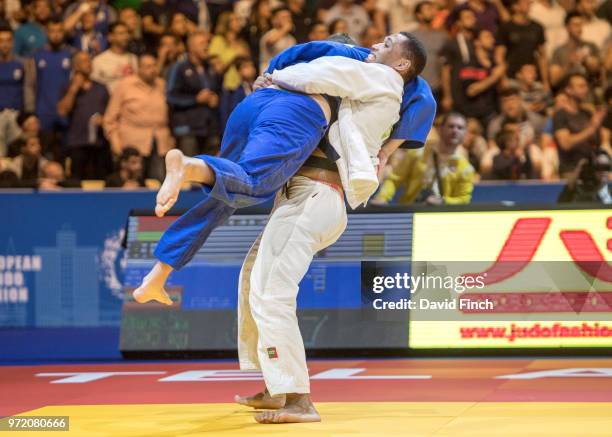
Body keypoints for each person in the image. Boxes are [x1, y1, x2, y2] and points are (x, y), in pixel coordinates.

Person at [135, 33, 423, 424]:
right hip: (302, 198)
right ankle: (276, 385)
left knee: (272, 293)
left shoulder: (385, 78)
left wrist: (277, 76)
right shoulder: (373, 86)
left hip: (317, 196)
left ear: (401, 64)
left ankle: (299, 398)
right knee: (253, 279)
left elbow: (327, 70)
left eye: (388, 42)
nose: (376, 42)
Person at [133, 32, 419, 307]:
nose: (375, 45)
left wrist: (270, 74)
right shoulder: (358, 61)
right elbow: (423, 96)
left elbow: (292, 55)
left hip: (252, 104)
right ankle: (190, 165)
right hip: (296, 113)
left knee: (226, 194)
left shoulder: (307, 53)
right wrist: (385, 151)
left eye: (384, 43)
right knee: (255, 182)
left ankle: (159, 274)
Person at [374, 112, 474, 205]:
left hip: (442, 217)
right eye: (451, 126)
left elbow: (464, 199)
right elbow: (394, 179)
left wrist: (443, 201)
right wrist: (382, 197)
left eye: (460, 128)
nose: (455, 130)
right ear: (440, 128)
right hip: (411, 210)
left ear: (465, 133)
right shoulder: (418, 152)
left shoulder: (465, 168)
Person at [103, 54, 173, 180]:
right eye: (148, 67)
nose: (152, 70)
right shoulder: (125, 85)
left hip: (160, 143)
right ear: (139, 69)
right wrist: (114, 141)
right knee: (133, 182)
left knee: (159, 182)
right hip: (132, 143)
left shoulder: (162, 85)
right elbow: (110, 118)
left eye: (154, 66)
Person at [167, 32, 222, 156]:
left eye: (207, 43)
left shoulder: (210, 68)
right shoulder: (179, 67)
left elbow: (216, 91)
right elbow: (171, 96)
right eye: (202, 43)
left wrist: (215, 98)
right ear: (191, 47)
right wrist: (195, 99)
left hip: (209, 128)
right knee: (190, 171)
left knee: (209, 171)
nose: (206, 47)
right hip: (187, 129)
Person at [57, 51, 111, 180]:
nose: (88, 63)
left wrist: (104, 120)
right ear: (75, 65)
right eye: (83, 61)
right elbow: (62, 111)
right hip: (77, 143)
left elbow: (111, 113)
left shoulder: (101, 87)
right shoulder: (67, 87)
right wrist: (74, 88)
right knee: (76, 181)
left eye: (89, 60)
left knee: (100, 180)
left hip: (99, 143)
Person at [33, 20, 73, 161]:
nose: (56, 35)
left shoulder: (71, 54)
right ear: (46, 33)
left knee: (63, 154)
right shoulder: (37, 55)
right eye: (52, 31)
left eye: (59, 31)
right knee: (44, 153)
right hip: (43, 112)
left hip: (65, 113)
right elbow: (32, 85)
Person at [553, 73, 606, 176]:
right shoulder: (560, 115)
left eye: (586, 86)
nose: (585, 89)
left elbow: (597, 143)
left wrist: (598, 125)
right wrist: (591, 128)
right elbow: (565, 144)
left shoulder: (587, 113)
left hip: (591, 169)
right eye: (581, 86)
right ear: (569, 90)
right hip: (571, 171)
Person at [495, 0, 548, 90]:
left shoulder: (537, 27)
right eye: (525, 2)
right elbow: (499, 55)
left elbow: (542, 56)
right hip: (511, 78)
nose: (530, 4)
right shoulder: (506, 27)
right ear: (515, 6)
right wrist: (503, 78)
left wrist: (546, 81)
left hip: (532, 79)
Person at [0, 26, 35, 158]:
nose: (4, 44)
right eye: (1, 40)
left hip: (17, 118)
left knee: (18, 156)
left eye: (8, 40)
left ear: (12, 42)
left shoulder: (23, 63)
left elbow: (29, 90)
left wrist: (28, 116)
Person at [550, 11, 600, 88]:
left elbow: (598, 70)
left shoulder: (591, 46)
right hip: (567, 93)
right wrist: (569, 64)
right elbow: (554, 81)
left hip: (588, 91)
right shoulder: (558, 51)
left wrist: (587, 61)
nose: (579, 28)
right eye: (575, 25)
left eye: (581, 25)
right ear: (567, 27)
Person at [412, 0, 448, 100]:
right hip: (416, 88)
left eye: (432, 9)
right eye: (428, 9)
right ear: (419, 15)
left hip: (436, 87)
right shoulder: (410, 36)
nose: (432, 12)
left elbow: (446, 65)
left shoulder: (442, 36)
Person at [91, 22, 138, 93]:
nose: (126, 36)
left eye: (127, 33)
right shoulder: (98, 60)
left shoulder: (134, 58)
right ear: (110, 37)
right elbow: (93, 89)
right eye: (121, 33)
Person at [259, 7, 296, 72]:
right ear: (274, 20)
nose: (288, 19)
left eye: (289, 17)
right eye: (284, 17)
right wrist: (285, 28)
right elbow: (270, 42)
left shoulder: (291, 38)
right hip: (269, 75)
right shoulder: (270, 34)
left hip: (285, 74)